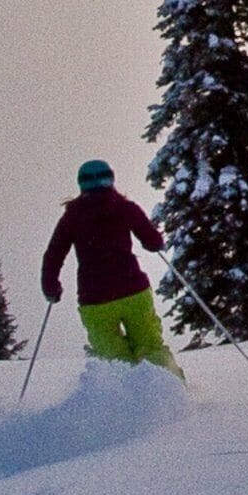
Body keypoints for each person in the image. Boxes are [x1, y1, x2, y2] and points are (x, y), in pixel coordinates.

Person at [42, 159, 179, 375]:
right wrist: (154, 243)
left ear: (81, 184)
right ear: (111, 179)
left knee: (113, 357)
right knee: (150, 346)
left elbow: (54, 254)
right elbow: (153, 241)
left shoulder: (72, 217)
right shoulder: (125, 208)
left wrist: (51, 286)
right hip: (133, 291)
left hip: (96, 299)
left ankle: (124, 392)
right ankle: (169, 387)